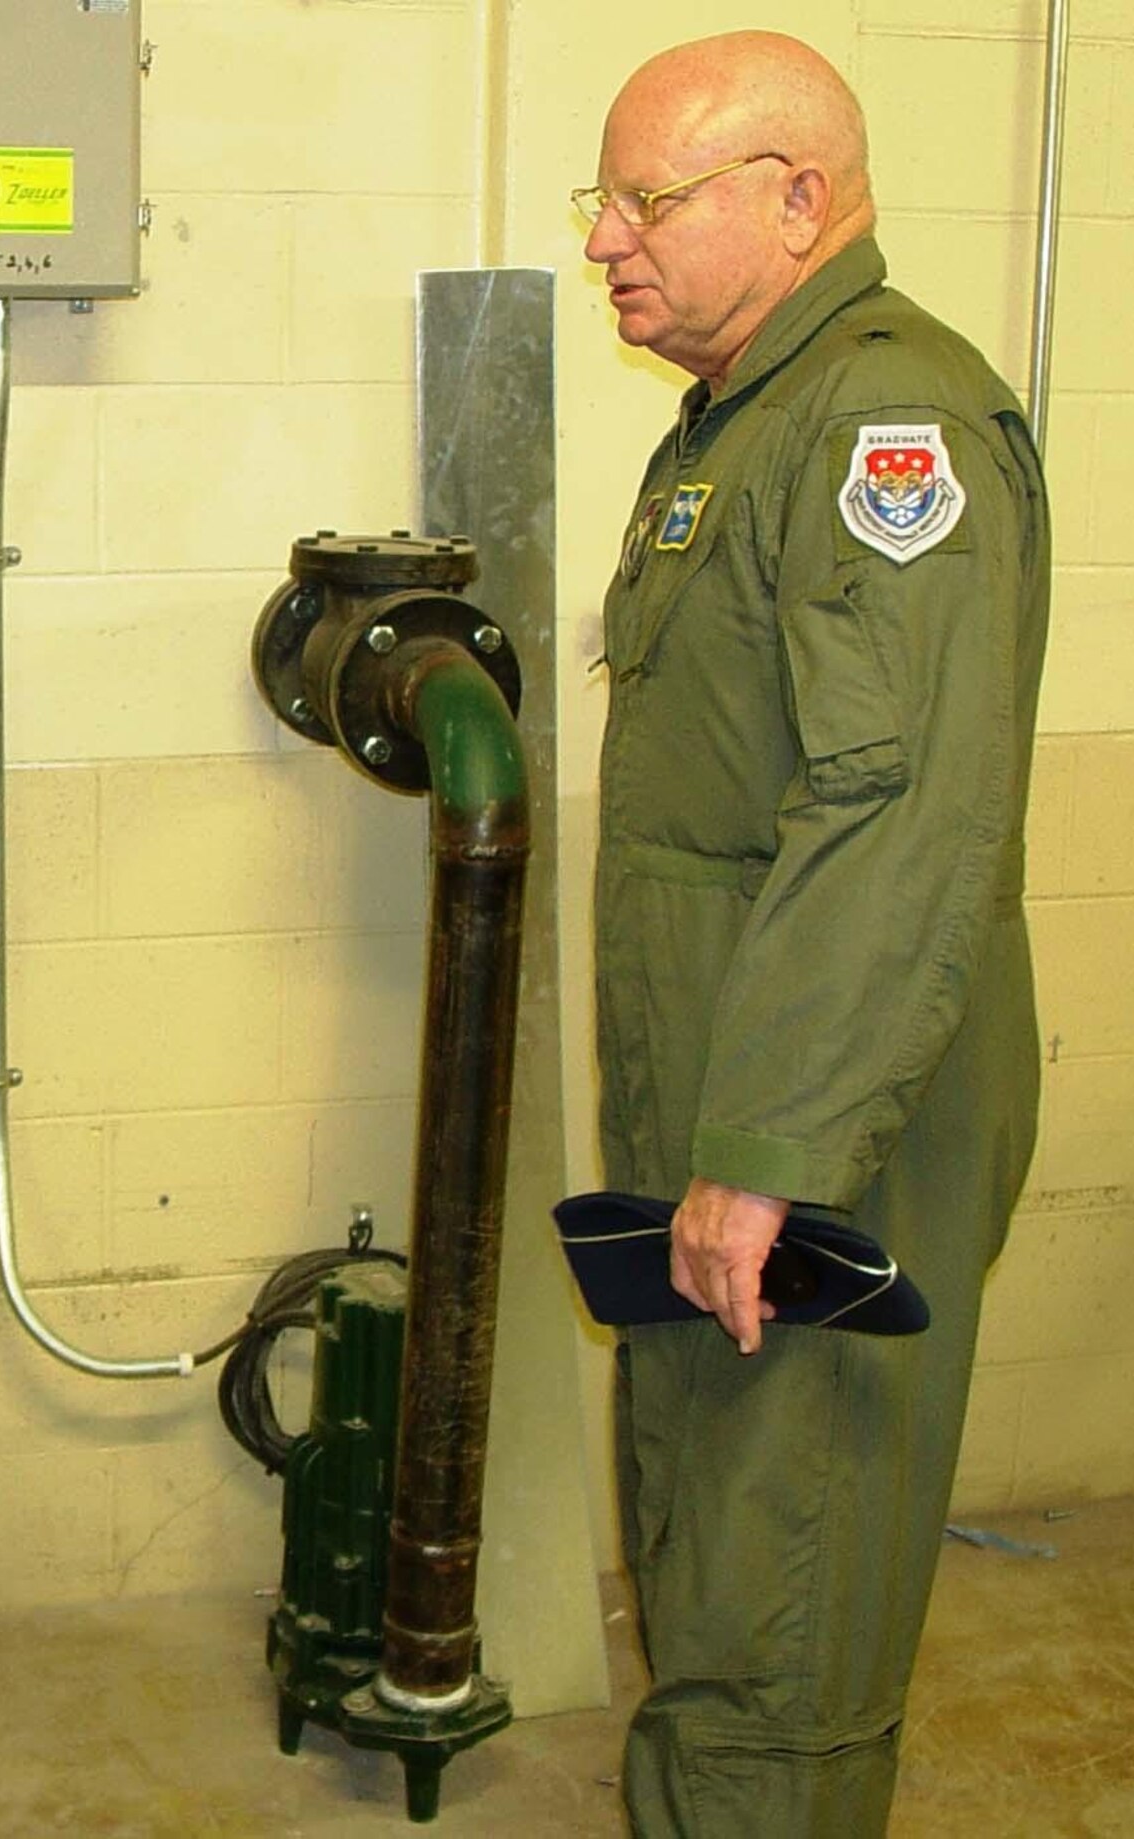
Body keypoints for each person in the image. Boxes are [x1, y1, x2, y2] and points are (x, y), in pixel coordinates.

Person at [576, 30, 1048, 1836]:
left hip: (832, 1127)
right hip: (746, 1109)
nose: (608, 238)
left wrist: (770, 1154)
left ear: (798, 196)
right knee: (712, 1534)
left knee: (786, 1590)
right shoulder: (746, 415)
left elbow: (899, 813)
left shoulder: (877, 422)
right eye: (601, 199)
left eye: (649, 198)